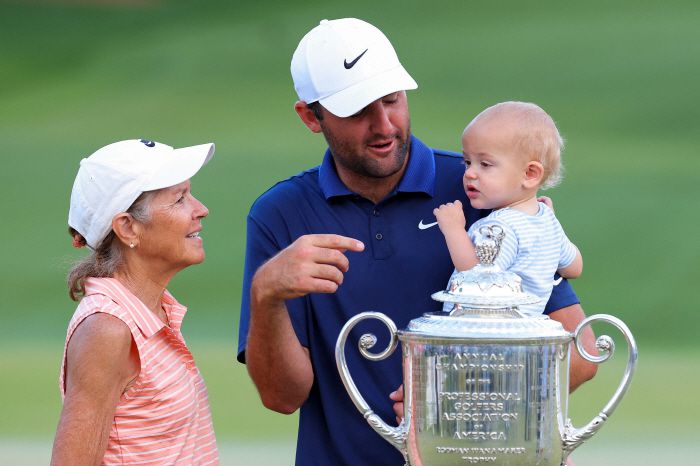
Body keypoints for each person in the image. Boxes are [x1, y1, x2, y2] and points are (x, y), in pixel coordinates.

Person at [237, 18, 597, 466]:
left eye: (392, 100)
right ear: (311, 116)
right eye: (358, 111)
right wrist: (265, 293)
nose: (384, 124)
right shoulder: (281, 213)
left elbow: (580, 353)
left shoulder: (483, 190)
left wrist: (457, 401)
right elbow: (281, 396)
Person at [51, 139, 219, 465]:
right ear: (128, 227)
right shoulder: (108, 329)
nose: (201, 209)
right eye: (180, 199)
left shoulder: (152, 311)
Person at [434, 101, 583, 315]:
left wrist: (453, 230)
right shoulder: (547, 221)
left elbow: (477, 277)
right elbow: (574, 267)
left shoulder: (499, 227)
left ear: (530, 174)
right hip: (522, 333)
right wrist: (552, 226)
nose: (469, 173)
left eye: (485, 164)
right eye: (467, 162)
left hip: (484, 331)